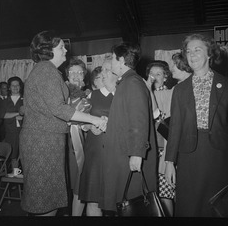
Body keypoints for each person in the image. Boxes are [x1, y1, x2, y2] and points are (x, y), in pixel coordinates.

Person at [19, 30, 107, 217]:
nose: (66, 50)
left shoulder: (47, 71)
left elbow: (56, 111)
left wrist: (87, 124)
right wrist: (94, 119)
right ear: (48, 50)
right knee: (45, 202)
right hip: (42, 142)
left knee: (47, 200)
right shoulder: (46, 71)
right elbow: (58, 109)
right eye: (61, 47)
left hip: (46, 140)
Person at [164, 33, 228, 217]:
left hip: (218, 157)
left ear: (209, 54)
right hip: (188, 157)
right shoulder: (180, 90)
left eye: (197, 50)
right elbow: (175, 128)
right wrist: (169, 162)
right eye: (188, 51)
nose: (192, 55)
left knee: (216, 210)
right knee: (188, 208)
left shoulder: (227, 85)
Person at [98, 42, 158, 215]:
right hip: (123, 154)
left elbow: (139, 120)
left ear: (121, 60)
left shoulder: (132, 82)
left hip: (128, 156)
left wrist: (137, 154)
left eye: (112, 58)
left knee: (133, 208)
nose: (111, 62)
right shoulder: (127, 81)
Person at [79, 56, 118, 216]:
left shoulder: (124, 94)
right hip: (95, 153)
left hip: (117, 153)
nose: (105, 72)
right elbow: (80, 121)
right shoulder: (91, 95)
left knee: (118, 200)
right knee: (93, 199)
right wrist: (90, 126)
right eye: (104, 69)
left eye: (110, 69)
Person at [145, 60, 174, 217]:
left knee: (165, 194)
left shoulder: (171, 93)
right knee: (151, 195)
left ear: (165, 77)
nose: (155, 77)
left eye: (159, 74)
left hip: (164, 151)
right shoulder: (144, 94)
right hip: (149, 151)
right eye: (152, 74)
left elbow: (166, 124)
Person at [65, 57, 91, 216]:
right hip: (66, 142)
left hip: (85, 142)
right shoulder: (61, 92)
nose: (76, 75)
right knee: (72, 182)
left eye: (79, 72)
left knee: (83, 184)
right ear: (67, 75)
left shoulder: (88, 94)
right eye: (72, 72)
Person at [1, 77, 24, 171]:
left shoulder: (26, 100)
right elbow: (3, 115)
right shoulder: (5, 101)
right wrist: (18, 113)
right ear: (9, 87)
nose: (15, 87)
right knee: (12, 157)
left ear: (20, 87)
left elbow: (31, 115)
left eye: (17, 85)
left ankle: (24, 181)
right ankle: (14, 179)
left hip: (23, 132)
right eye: (13, 85)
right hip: (9, 132)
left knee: (23, 156)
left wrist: (23, 117)